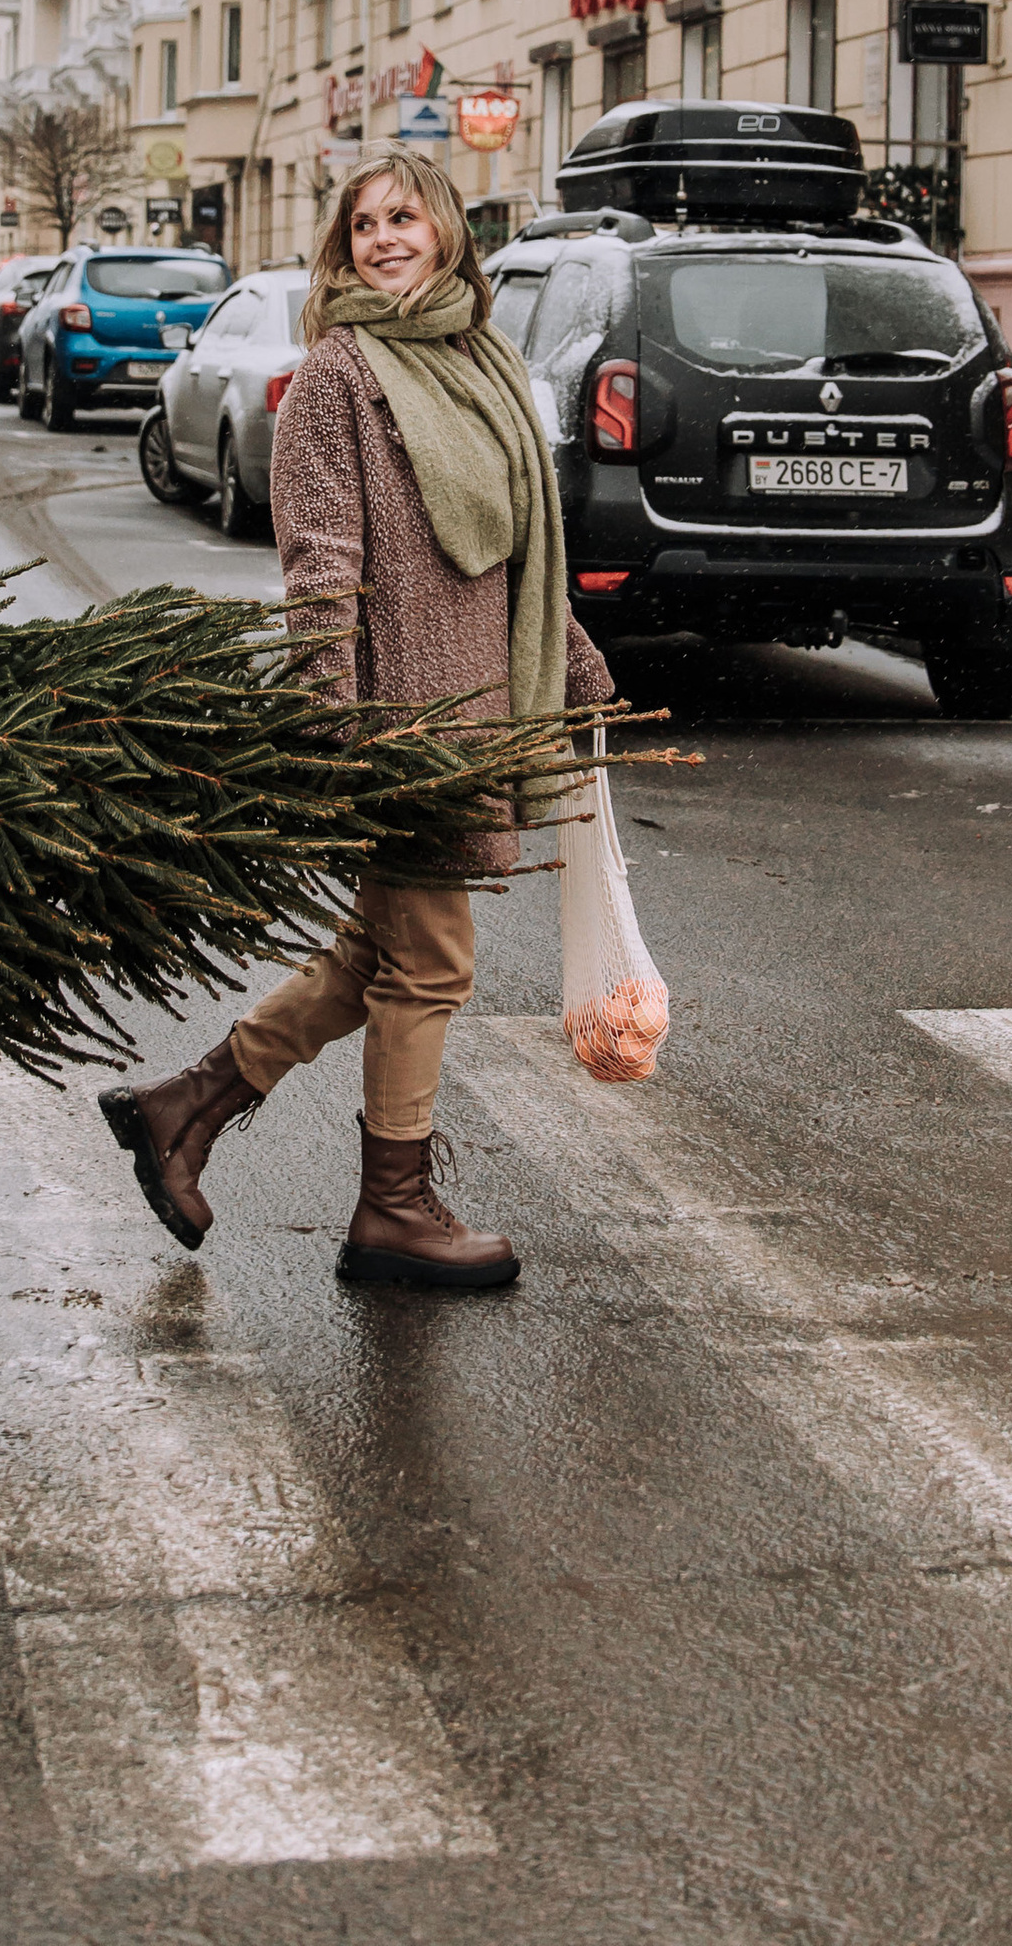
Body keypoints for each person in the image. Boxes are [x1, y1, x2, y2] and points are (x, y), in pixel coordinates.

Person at [100, 149, 614, 1294]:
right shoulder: (339, 374)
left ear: (446, 235)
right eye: (364, 224)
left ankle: (181, 1107)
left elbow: (526, 552)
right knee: (428, 965)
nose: (385, 237)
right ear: (343, 247)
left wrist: (576, 670)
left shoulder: (481, 356)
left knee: (375, 952)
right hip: (398, 720)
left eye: (406, 217)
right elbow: (319, 554)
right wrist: (332, 709)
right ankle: (392, 1207)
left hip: (474, 703)